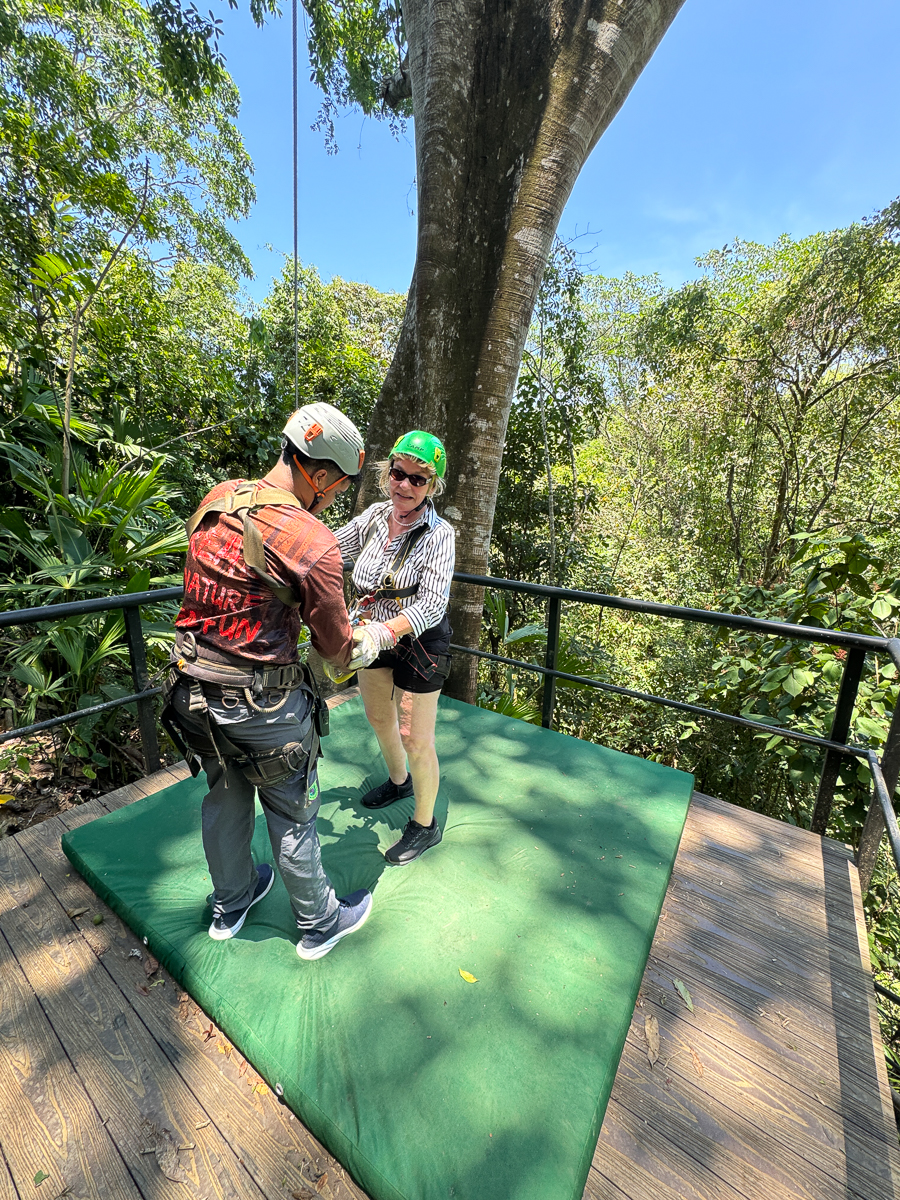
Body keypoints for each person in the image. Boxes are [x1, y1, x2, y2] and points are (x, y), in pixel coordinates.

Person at [161, 402, 374, 960]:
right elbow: (336, 652)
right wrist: (372, 639)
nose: (333, 500)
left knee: (225, 792)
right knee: (291, 808)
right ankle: (319, 922)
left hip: (189, 689)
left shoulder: (218, 498)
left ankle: (230, 904)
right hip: (261, 706)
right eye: (337, 489)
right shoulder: (313, 542)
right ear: (319, 474)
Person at [334, 430, 456, 866]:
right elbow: (331, 549)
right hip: (372, 630)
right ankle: (398, 780)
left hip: (419, 638)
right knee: (378, 716)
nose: (404, 485)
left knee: (414, 736)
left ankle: (425, 825)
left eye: (417, 479)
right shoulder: (373, 517)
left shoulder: (440, 535)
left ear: (432, 486)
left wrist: (384, 633)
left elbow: (432, 603)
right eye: (397, 474)